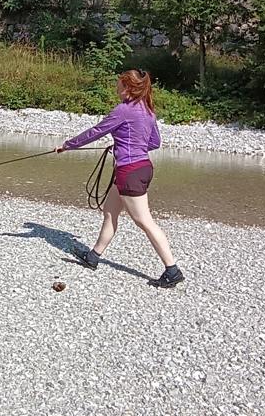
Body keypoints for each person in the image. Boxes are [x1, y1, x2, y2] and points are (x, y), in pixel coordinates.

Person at [55, 69, 185, 288]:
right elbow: (154, 143)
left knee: (144, 221)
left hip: (129, 171)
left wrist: (68, 145)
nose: (117, 88)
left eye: (119, 85)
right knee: (110, 211)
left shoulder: (123, 110)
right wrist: (126, 145)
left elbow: (96, 131)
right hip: (142, 168)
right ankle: (93, 257)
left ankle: (172, 270)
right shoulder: (148, 110)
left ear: (128, 87)